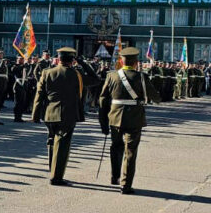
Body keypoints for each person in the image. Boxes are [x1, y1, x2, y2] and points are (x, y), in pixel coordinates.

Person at [31, 47, 99, 186]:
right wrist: (83, 63)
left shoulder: (47, 72)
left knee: (51, 141)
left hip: (50, 113)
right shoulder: (77, 74)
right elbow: (95, 79)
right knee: (62, 145)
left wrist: (35, 114)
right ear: (72, 60)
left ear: (59, 58)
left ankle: (53, 170)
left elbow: (39, 95)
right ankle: (56, 177)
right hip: (68, 114)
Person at [99, 47, 162, 194]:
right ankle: (126, 185)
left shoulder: (111, 76)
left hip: (114, 118)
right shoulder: (141, 77)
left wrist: (103, 121)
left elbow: (102, 100)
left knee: (116, 147)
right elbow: (156, 98)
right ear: (136, 62)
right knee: (130, 152)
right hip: (134, 119)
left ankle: (114, 177)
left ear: (121, 60)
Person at [11, 56, 28, 122]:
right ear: (17, 59)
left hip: (24, 85)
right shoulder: (15, 66)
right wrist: (23, 66)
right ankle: (16, 117)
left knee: (22, 102)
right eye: (20, 59)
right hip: (17, 85)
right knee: (17, 102)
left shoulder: (25, 66)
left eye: (22, 59)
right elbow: (14, 70)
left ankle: (20, 116)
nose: (21, 60)